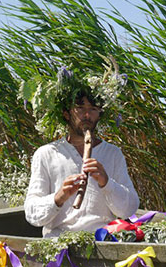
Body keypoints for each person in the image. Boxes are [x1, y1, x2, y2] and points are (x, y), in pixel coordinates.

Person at [23, 66, 139, 237]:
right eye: (80, 108)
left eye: (93, 109)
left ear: (99, 114)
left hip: (102, 241)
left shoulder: (113, 153)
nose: (87, 115)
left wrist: (106, 183)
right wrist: (59, 197)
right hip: (57, 244)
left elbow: (128, 209)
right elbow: (32, 214)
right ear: (66, 114)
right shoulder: (46, 153)